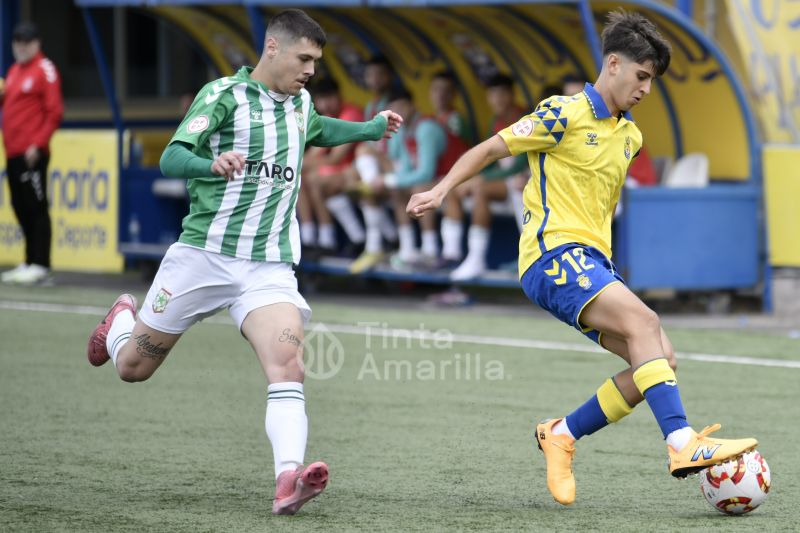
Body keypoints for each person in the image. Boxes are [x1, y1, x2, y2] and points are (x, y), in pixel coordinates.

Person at [407, 9, 756, 506]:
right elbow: (488, 150)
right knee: (645, 322)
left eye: (652, 81)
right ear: (612, 63)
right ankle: (682, 444)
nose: (645, 90)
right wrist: (441, 189)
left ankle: (562, 433)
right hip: (552, 254)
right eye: (641, 76)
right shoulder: (560, 113)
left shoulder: (630, 137)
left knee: (657, 358)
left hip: (591, 261)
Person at [85, 9, 401, 516]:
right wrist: (208, 162)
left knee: (289, 365)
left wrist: (368, 129)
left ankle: (287, 479)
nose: (310, 71)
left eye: (316, 62)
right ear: (272, 49)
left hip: (268, 265)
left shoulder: (300, 103)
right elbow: (171, 157)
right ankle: (122, 320)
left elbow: (315, 129)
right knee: (132, 368)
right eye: (304, 58)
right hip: (203, 257)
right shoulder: (223, 96)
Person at [443, 74, 528, 281]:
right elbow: (491, 159)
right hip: (508, 183)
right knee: (456, 186)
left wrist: (482, 179)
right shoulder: (495, 121)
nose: (496, 100)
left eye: (501, 94)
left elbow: (521, 164)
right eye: (492, 95)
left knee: (481, 189)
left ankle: (476, 259)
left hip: (527, 181)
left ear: (511, 95)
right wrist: (477, 177)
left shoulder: (526, 119)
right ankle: (450, 255)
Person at [0, 22, 63, 285]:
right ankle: (28, 261)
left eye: (26, 41)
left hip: (32, 154)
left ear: (36, 43)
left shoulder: (44, 70)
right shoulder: (14, 71)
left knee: (36, 207)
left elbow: (54, 111)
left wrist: (38, 144)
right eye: (17, 41)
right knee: (20, 206)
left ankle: (41, 265)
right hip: (13, 153)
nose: (21, 46)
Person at [299, 77, 366, 256]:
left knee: (313, 178)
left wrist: (300, 164)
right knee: (297, 176)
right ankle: (309, 237)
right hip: (339, 172)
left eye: (329, 98)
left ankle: (328, 239)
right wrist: (294, 164)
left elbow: (336, 158)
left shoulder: (351, 114)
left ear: (339, 96)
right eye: (320, 100)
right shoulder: (326, 117)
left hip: (358, 171)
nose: (325, 104)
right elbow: (313, 155)